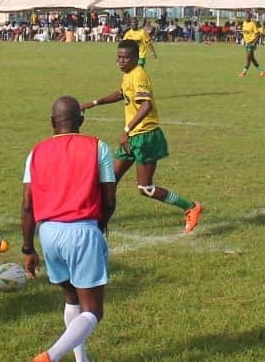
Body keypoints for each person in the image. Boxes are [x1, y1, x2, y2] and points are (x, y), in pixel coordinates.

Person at [23, 96, 117, 362]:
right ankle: (50, 358)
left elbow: (27, 206)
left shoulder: (35, 152)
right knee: (93, 310)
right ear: (81, 120)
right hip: (81, 230)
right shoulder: (97, 146)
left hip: (48, 233)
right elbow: (110, 199)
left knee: (71, 297)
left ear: (52, 122)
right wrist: (100, 227)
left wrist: (28, 248)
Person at [81, 40, 203, 234]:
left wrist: (127, 130)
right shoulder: (128, 74)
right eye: (118, 57)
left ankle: (191, 206)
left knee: (145, 188)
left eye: (125, 57)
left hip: (145, 136)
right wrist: (94, 102)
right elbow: (122, 93)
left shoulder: (138, 75)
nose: (120, 61)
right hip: (132, 137)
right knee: (108, 179)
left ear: (136, 58)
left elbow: (146, 106)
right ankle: (100, 225)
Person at [238, 11, 265, 78]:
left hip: (252, 42)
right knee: (252, 58)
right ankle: (262, 71)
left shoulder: (253, 24)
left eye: (248, 16)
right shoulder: (244, 23)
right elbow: (245, 32)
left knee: (248, 58)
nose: (246, 17)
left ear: (250, 17)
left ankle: (244, 73)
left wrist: (254, 43)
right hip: (247, 42)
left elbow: (257, 34)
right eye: (245, 16)